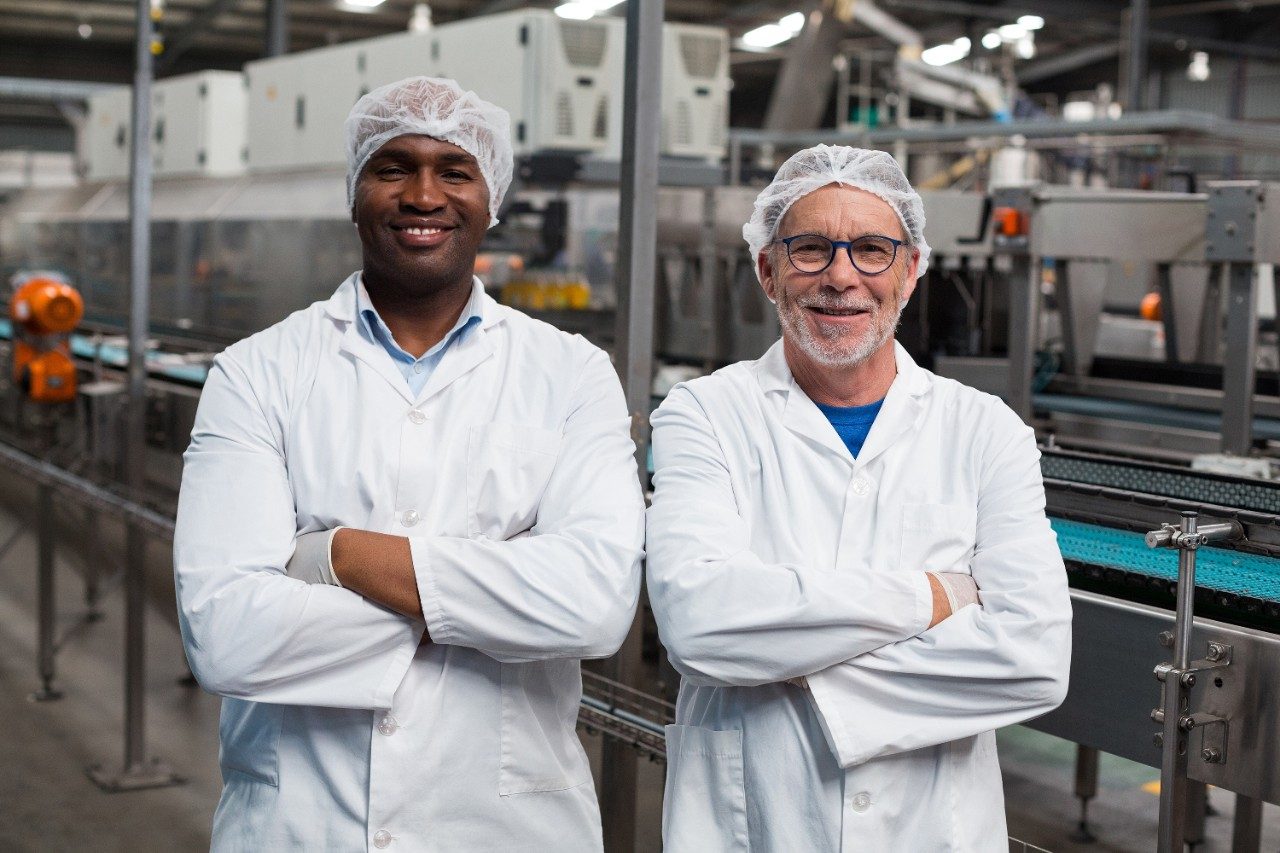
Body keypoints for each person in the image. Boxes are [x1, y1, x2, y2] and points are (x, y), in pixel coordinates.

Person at [173, 76, 645, 852]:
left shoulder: (571, 374)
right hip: (300, 825)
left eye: (455, 170)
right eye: (393, 167)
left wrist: (336, 554)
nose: (424, 194)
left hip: (507, 826)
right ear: (355, 193)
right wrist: (498, 595)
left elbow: (593, 605)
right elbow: (225, 636)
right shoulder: (257, 371)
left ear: (492, 199)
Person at [646, 144, 1072, 851]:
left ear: (910, 271)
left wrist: (786, 656)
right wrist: (933, 598)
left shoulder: (984, 428)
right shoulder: (704, 415)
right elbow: (698, 622)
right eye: (810, 248)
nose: (841, 276)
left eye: (872, 249)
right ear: (767, 269)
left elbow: (1034, 657)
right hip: (754, 823)